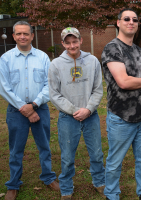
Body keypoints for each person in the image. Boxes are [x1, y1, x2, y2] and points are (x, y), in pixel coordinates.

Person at [101, 8, 141, 200]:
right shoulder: (112, 48)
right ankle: (112, 194)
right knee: (115, 161)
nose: (131, 22)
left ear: (138, 25)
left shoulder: (140, 52)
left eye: (135, 20)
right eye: (127, 19)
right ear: (118, 22)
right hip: (121, 116)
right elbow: (124, 82)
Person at [0, 21, 59, 200]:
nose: (22, 37)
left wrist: (33, 106)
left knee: (44, 146)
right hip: (16, 111)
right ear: (13, 36)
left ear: (32, 36)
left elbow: (50, 85)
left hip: (40, 109)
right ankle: (13, 184)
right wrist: (24, 108)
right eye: (19, 34)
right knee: (16, 149)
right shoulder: (6, 59)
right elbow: (4, 88)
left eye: (26, 33)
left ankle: (48, 178)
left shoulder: (43, 58)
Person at [48, 27, 106, 200]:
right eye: (68, 42)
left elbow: (98, 89)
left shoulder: (93, 61)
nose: (72, 45)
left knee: (96, 153)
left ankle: (100, 182)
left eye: (75, 41)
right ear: (63, 43)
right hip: (68, 117)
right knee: (67, 156)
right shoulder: (56, 64)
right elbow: (54, 94)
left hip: (91, 115)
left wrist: (88, 109)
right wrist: (74, 111)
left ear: (81, 41)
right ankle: (66, 189)